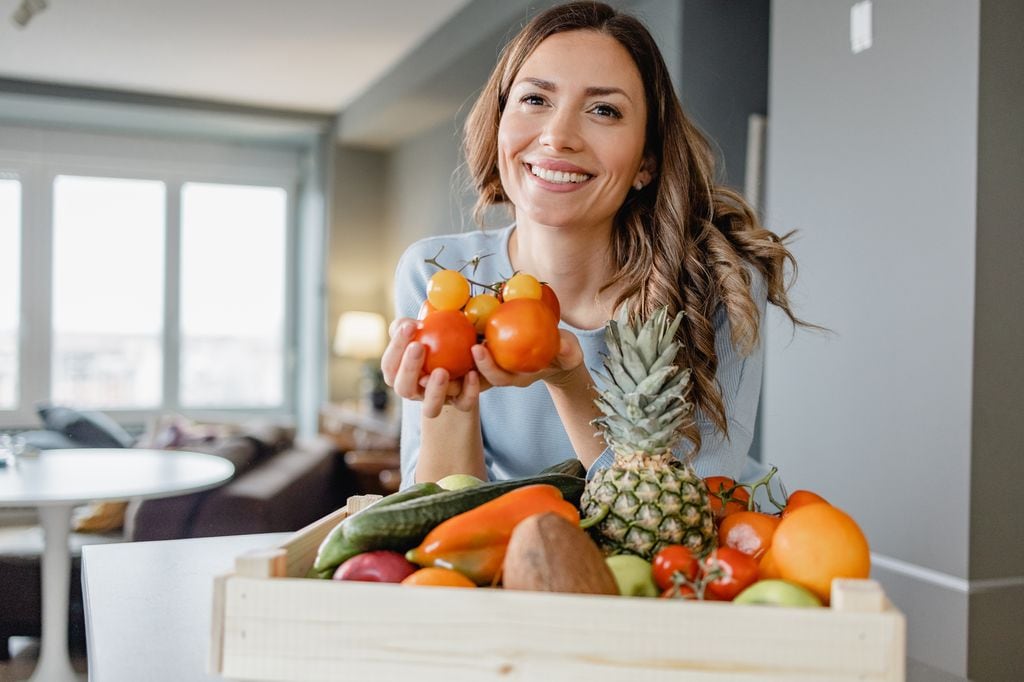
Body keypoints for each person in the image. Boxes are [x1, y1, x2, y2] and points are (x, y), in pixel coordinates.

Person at [382, 1, 807, 489]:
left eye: (604, 110)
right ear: (499, 120)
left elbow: (700, 507)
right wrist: (450, 395)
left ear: (646, 161)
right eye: (535, 99)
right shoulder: (441, 277)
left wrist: (569, 381)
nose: (558, 137)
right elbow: (442, 520)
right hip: (525, 547)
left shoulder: (716, 282)